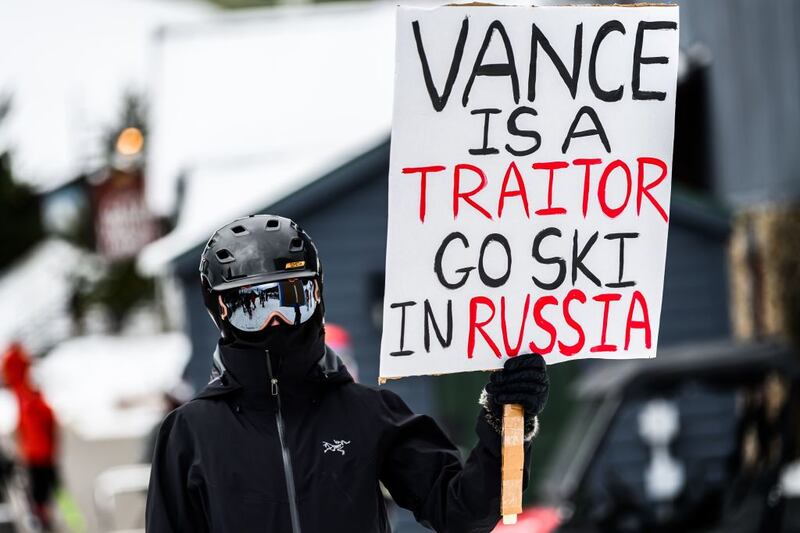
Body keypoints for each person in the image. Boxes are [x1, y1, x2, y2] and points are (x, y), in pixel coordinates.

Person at [145, 215, 549, 533]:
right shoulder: (191, 432)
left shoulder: (366, 413)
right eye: (253, 306)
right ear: (221, 312)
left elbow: (463, 513)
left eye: (290, 299)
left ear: (316, 295)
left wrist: (504, 421)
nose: (274, 321)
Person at [1, 342, 58, 531]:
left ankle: (47, 521)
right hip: (38, 455)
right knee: (42, 497)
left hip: (38, 457)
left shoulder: (27, 397)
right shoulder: (27, 394)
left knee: (42, 497)